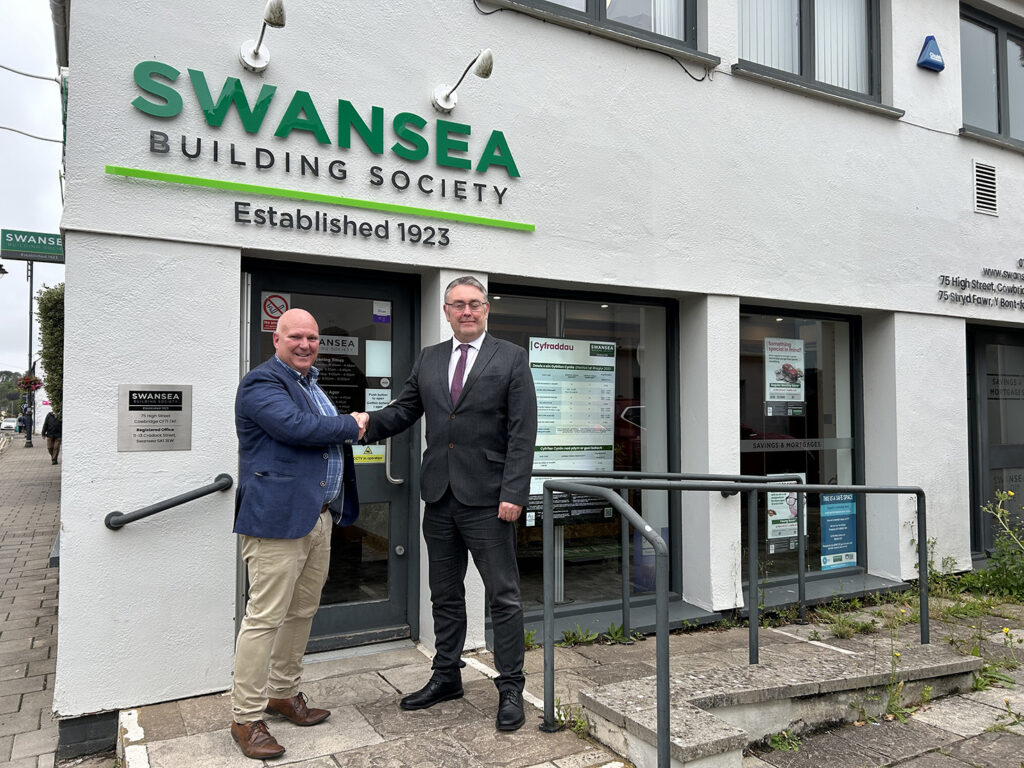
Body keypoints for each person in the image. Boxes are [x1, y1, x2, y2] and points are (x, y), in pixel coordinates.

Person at [365, 276, 538, 732]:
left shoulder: (511, 358)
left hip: (489, 501)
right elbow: (403, 411)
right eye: (458, 304)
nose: (466, 311)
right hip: (439, 495)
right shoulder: (430, 358)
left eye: (474, 304)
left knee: (503, 597)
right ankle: (446, 676)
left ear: (486, 311)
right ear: (446, 312)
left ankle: (510, 687)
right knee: (444, 593)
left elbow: (523, 433)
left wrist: (513, 494)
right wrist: (361, 424)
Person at [230, 308, 370, 760]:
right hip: (276, 519)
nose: (306, 344)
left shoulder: (311, 384)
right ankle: (245, 717)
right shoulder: (262, 383)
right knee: (265, 617)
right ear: (276, 338)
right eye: (296, 337)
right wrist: (353, 423)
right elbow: (297, 428)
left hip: (317, 516)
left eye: (312, 337)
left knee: (302, 611)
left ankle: (283, 693)